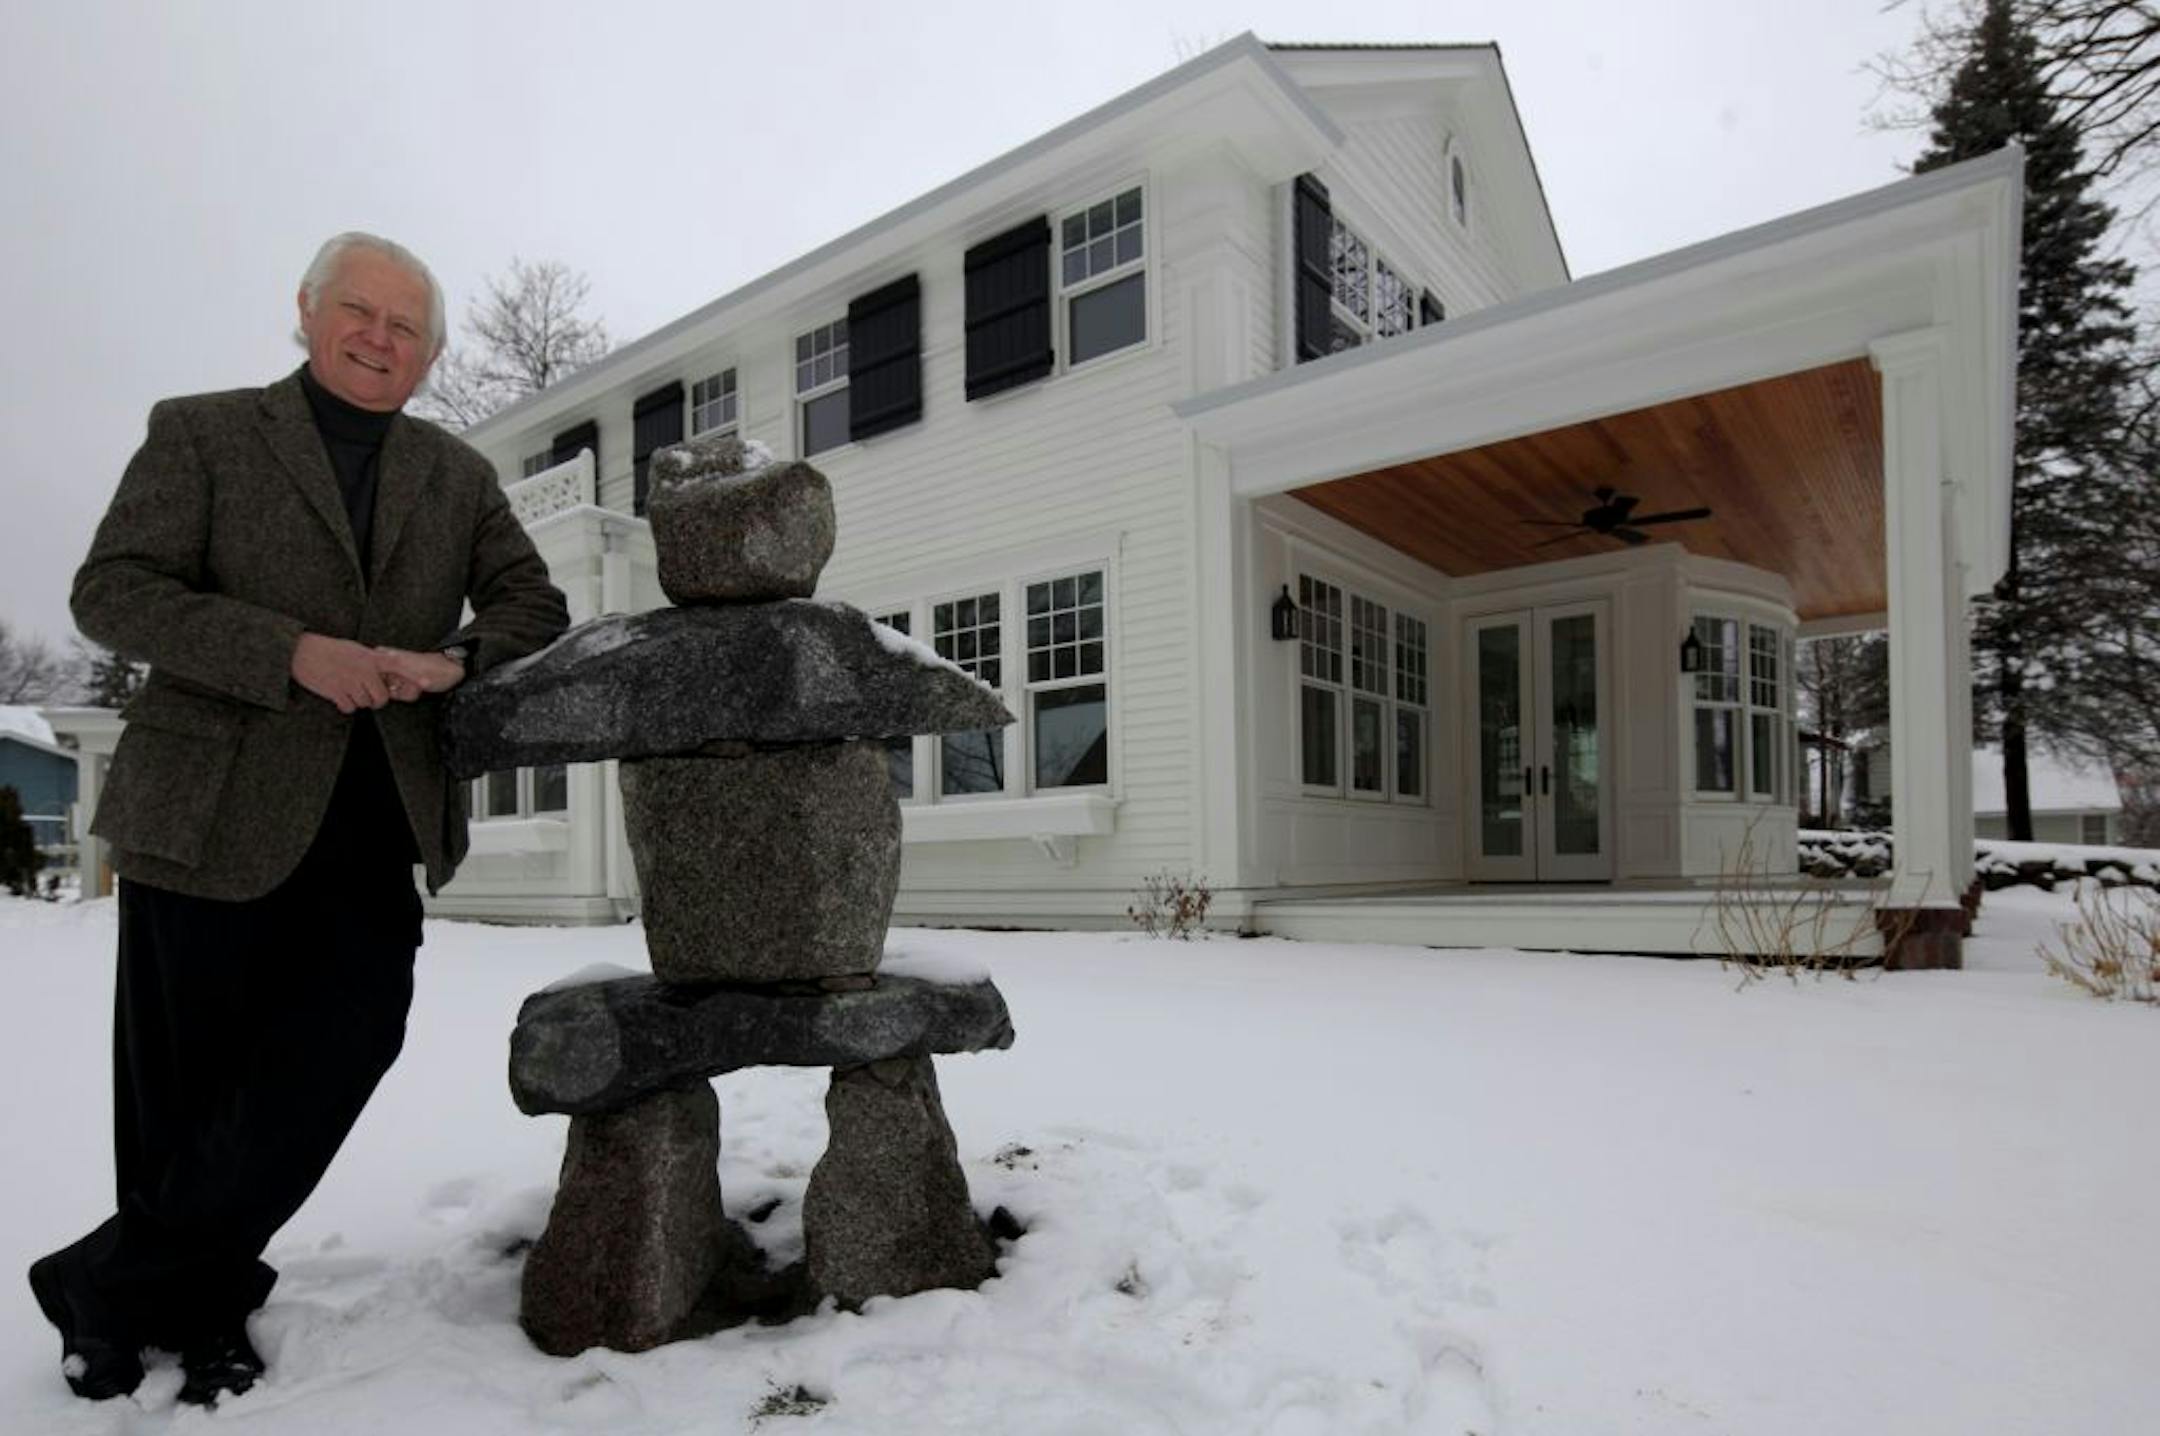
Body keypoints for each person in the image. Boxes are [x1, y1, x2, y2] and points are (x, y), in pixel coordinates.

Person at [28, 232, 570, 1405]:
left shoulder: (457, 474)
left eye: (406, 326)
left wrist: (452, 659)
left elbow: (535, 598)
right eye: (358, 312)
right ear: (308, 312)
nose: (380, 338)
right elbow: (113, 590)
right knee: (184, 1082)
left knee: (348, 1037)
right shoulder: (206, 431)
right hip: (208, 804)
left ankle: (108, 1282)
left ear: (430, 353)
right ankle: (198, 1309)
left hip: (375, 819)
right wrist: (291, 653)